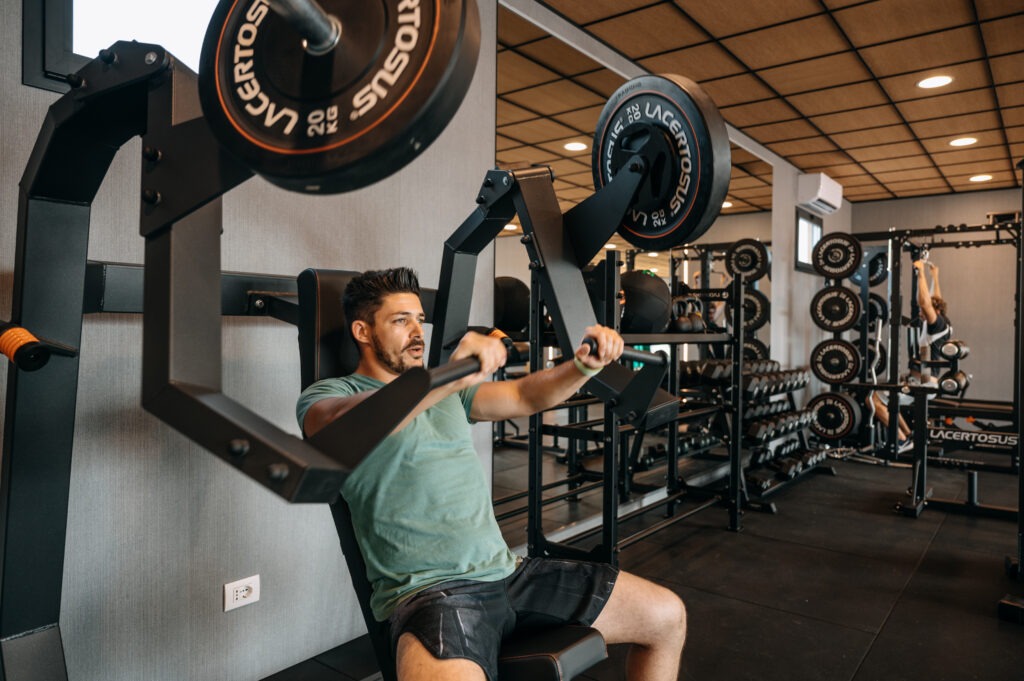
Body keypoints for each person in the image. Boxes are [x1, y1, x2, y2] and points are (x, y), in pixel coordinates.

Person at [296, 268, 686, 681]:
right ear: (362, 330)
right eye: (400, 320)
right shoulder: (330, 396)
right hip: (434, 594)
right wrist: (452, 372)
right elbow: (354, 422)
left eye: (419, 319)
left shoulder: (450, 393)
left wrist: (581, 367)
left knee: (666, 616)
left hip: (511, 573)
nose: (417, 332)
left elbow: (525, 394)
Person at [865, 259, 950, 446]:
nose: (921, 313)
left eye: (923, 311)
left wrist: (920, 273)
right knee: (890, 400)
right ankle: (909, 435)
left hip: (924, 384)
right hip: (920, 381)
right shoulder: (943, 323)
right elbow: (936, 299)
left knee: (872, 399)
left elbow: (926, 301)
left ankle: (901, 440)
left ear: (935, 311)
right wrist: (934, 275)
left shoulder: (938, 325)